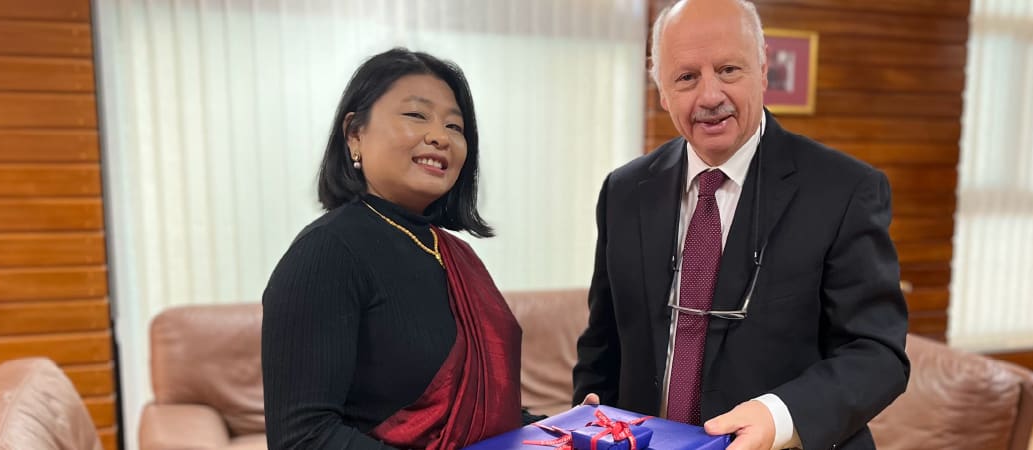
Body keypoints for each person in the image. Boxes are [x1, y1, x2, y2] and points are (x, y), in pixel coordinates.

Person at [572, 1, 910, 449]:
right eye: (687, 77)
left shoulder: (846, 190)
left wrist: (779, 417)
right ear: (662, 90)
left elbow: (877, 354)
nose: (710, 97)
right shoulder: (624, 191)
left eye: (728, 70)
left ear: (764, 69)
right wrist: (589, 422)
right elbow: (603, 343)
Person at [262, 48, 522, 449]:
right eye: (417, 115)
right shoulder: (327, 252)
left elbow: (481, 414)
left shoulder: (457, 255)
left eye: (454, 126)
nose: (440, 137)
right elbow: (304, 438)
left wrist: (565, 428)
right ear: (355, 134)